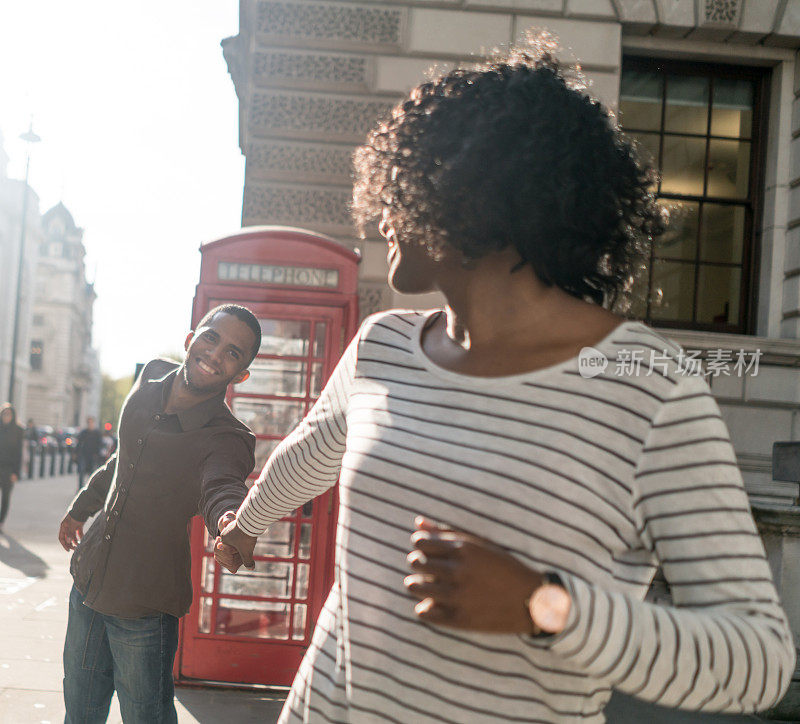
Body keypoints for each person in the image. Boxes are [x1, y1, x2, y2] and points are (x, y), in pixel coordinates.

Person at [216, 38, 795, 723]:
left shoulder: (650, 390)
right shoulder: (386, 345)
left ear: (478, 191)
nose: (383, 212)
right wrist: (244, 528)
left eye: (409, 180)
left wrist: (543, 604)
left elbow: (757, 661)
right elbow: (313, 452)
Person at [58, 303, 261, 723]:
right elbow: (123, 457)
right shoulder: (149, 375)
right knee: (79, 711)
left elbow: (222, 486)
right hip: (89, 580)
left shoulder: (228, 437)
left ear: (239, 375)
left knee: (145, 717)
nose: (215, 353)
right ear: (191, 339)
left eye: (233, 353)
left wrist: (229, 521)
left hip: (145, 607)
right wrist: (81, 508)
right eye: (211, 337)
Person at [0, 403, 25, 533]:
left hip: (9, 469)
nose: (6, 417)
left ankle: (1, 521)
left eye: (8, 414)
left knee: (5, 497)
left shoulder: (18, 430)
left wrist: (16, 472)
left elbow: (19, 453)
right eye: (4, 414)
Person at [75, 416, 104, 490]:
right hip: (84, 455)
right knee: (81, 472)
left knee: (92, 473)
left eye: (91, 422)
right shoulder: (84, 432)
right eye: (89, 422)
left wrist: (98, 454)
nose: (90, 424)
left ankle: (90, 489)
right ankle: (80, 489)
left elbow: (100, 444)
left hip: (93, 456)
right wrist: (76, 453)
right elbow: (79, 443)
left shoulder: (97, 433)